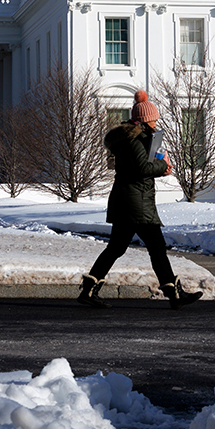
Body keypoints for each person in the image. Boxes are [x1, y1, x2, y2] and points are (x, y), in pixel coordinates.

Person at [78, 91, 204, 310]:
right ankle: (174, 294)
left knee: (116, 247)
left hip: (130, 200)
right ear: (145, 120)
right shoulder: (136, 141)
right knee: (156, 247)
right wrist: (163, 167)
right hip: (135, 203)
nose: (156, 122)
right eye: (154, 118)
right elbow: (142, 168)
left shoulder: (134, 139)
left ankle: (89, 289)